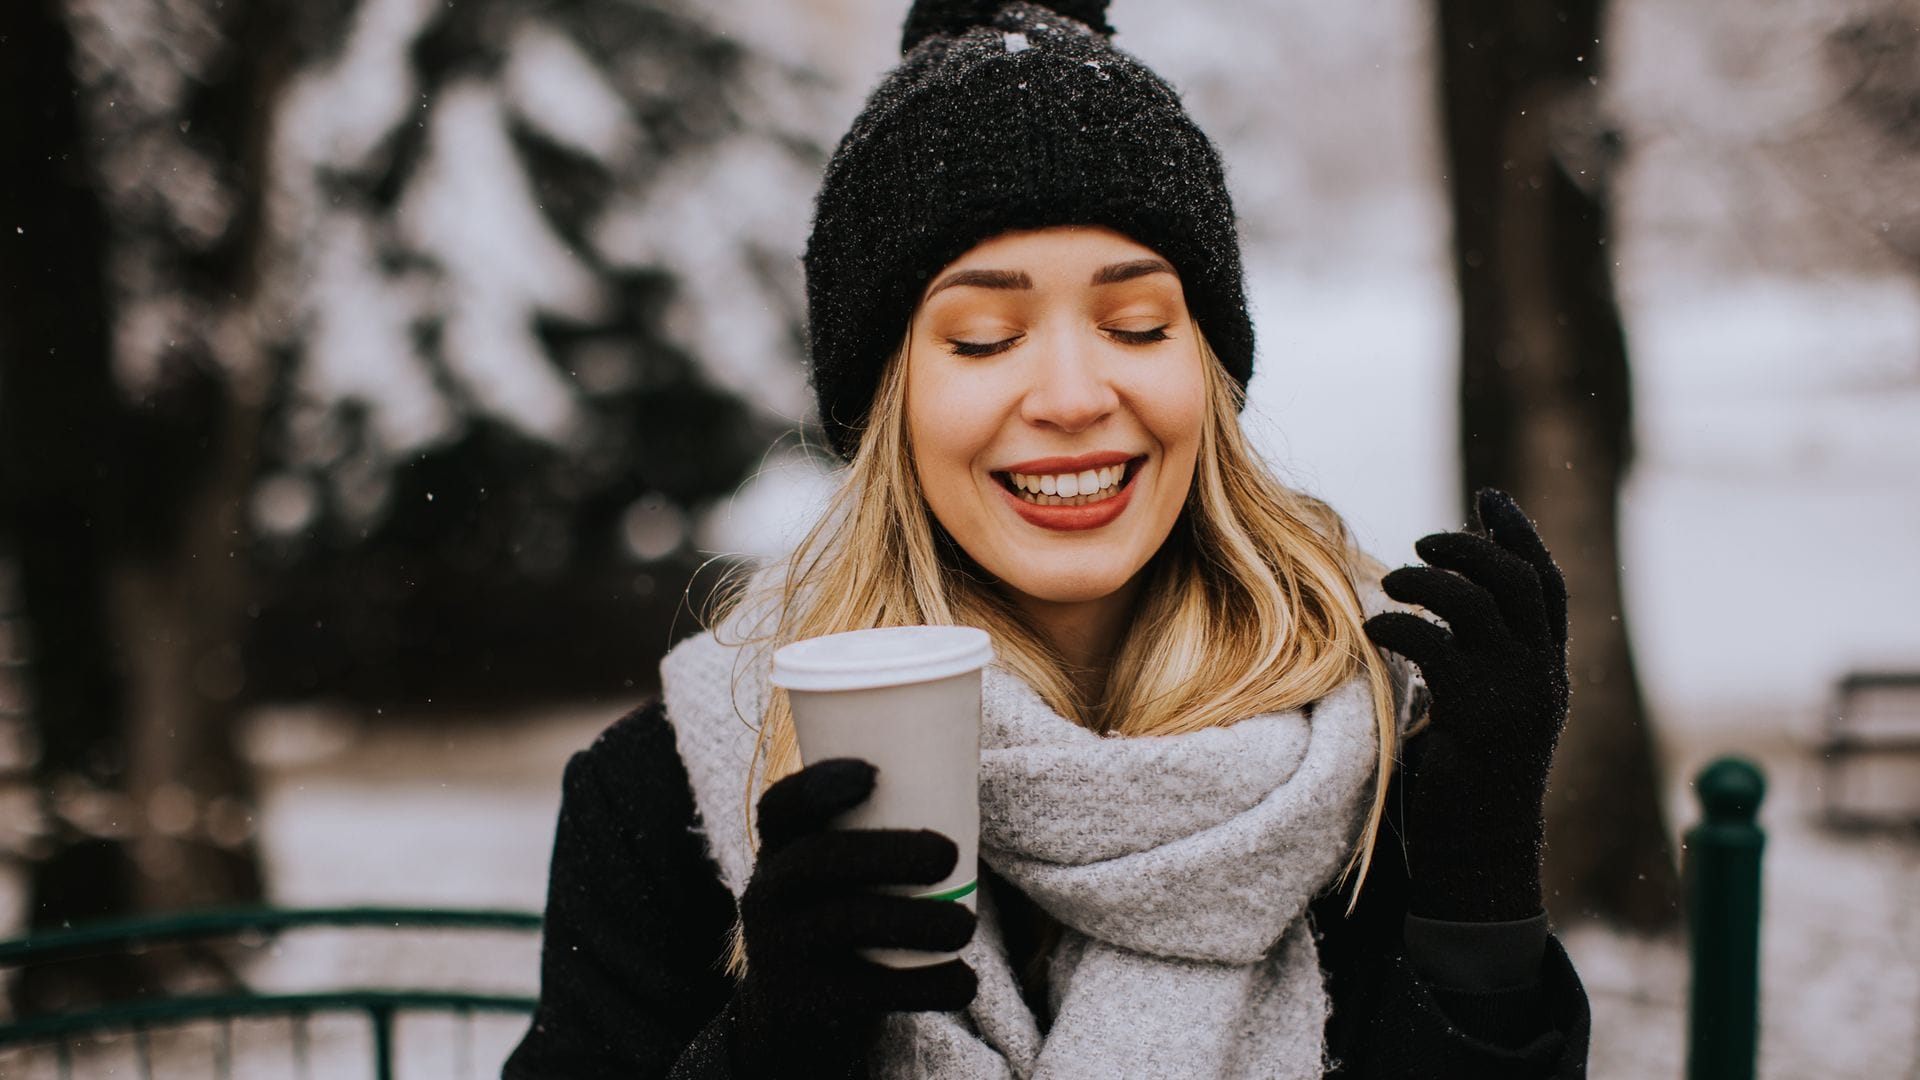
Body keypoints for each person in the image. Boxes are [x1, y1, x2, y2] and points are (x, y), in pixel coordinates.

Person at [504, 1, 1589, 1077]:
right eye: (982, 339)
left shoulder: (1377, 754)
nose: (1072, 396)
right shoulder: (680, 789)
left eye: (1137, 326)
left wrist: (1477, 896)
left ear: (1208, 377)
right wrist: (765, 1056)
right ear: (890, 404)